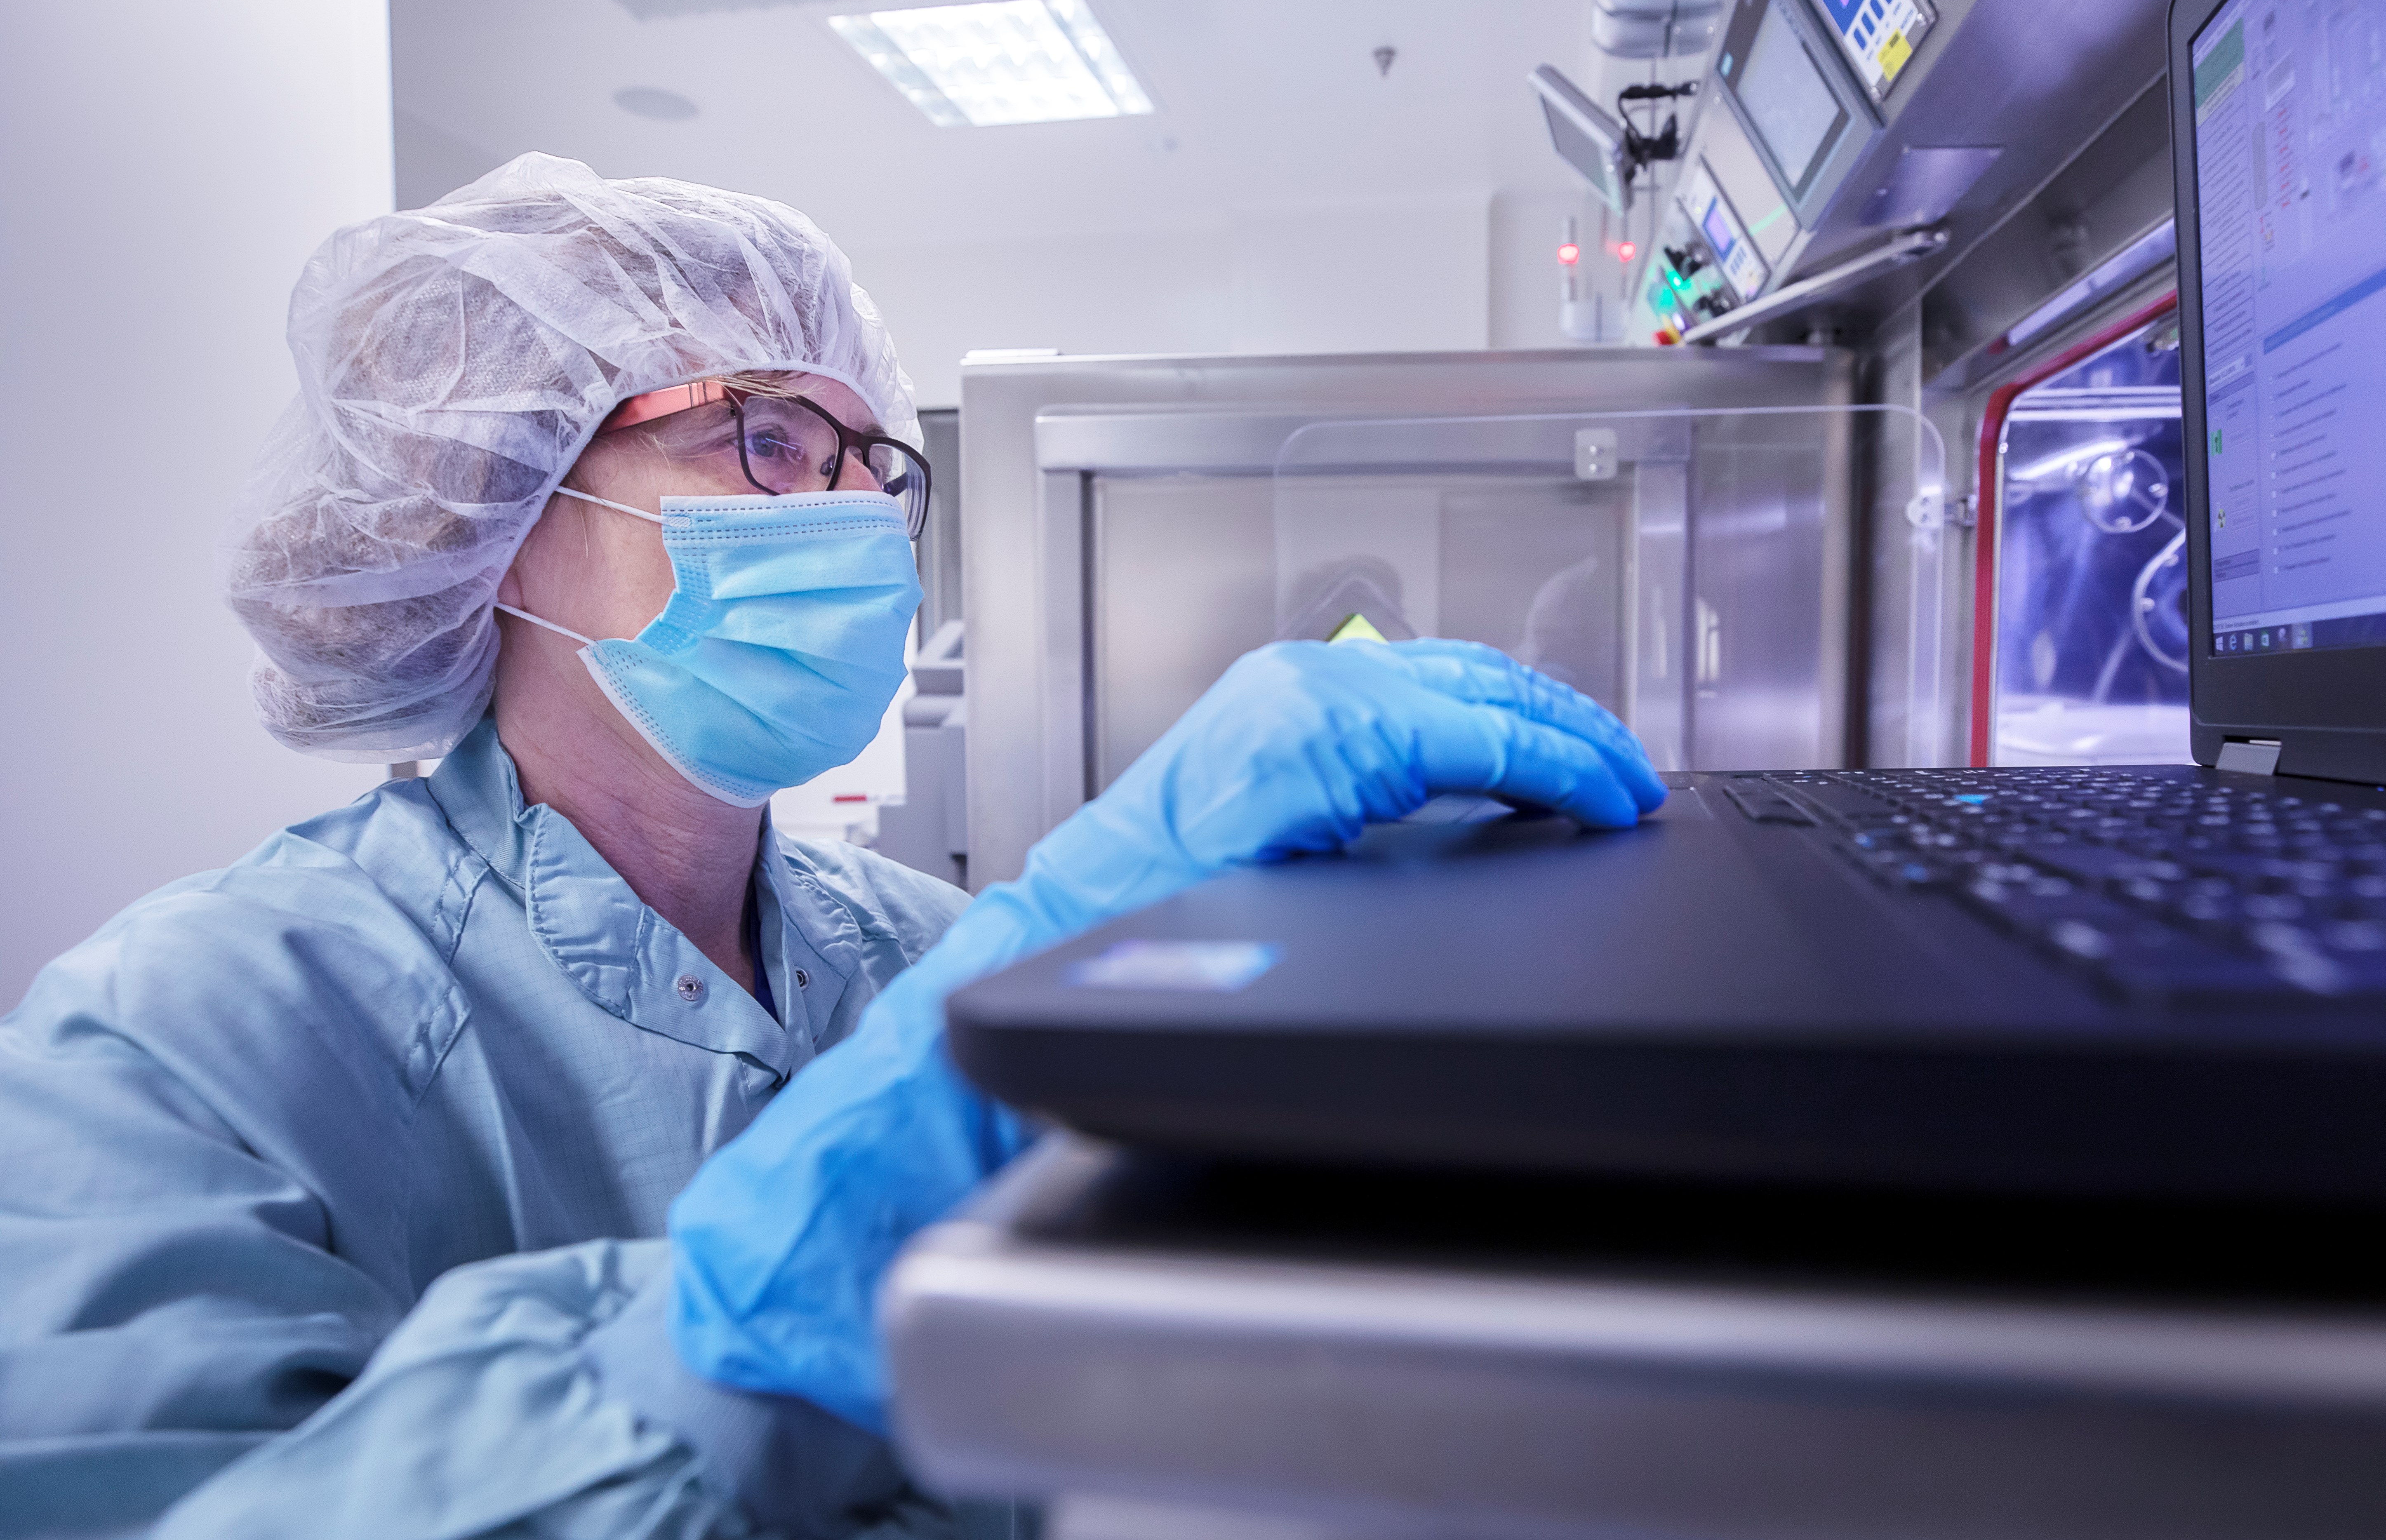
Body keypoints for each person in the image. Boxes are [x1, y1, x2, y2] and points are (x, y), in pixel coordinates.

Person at [0, 154, 1665, 1539]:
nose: (860, 516)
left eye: (874, 466)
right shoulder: (179, 1039)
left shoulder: (921, 948)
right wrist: (758, 1320)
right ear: (482, 503)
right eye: (767, 440)